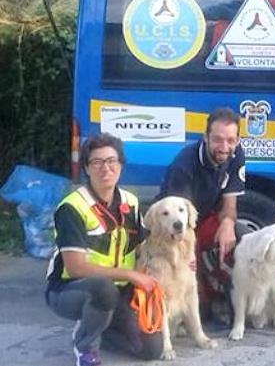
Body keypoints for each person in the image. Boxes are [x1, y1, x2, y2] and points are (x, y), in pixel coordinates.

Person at [46, 132, 163, 366]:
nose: (105, 168)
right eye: (97, 162)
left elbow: (142, 246)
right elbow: (76, 267)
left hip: (120, 290)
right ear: (87, 169)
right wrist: (131, 275)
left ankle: (102, 326)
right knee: (103, 289)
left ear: (121, 165)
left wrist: (176, 262)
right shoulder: (72, 207)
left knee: (151, 350)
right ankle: (84, 345)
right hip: (71, 289)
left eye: (111, 161)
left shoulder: (130, 201)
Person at [157, 107, 245, 318]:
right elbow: (178, 225)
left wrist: (228, 225)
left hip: (207, 218)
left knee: (241, 238)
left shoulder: (237, 154)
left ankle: (231, 297)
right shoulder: (184, 165)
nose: (224, 147)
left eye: (231, 140)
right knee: (190, 265)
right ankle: (200, 300)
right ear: (205, 137)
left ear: (238, 140)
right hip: (176, 227)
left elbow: (230, 204)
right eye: (217, 140)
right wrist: (187, 256)